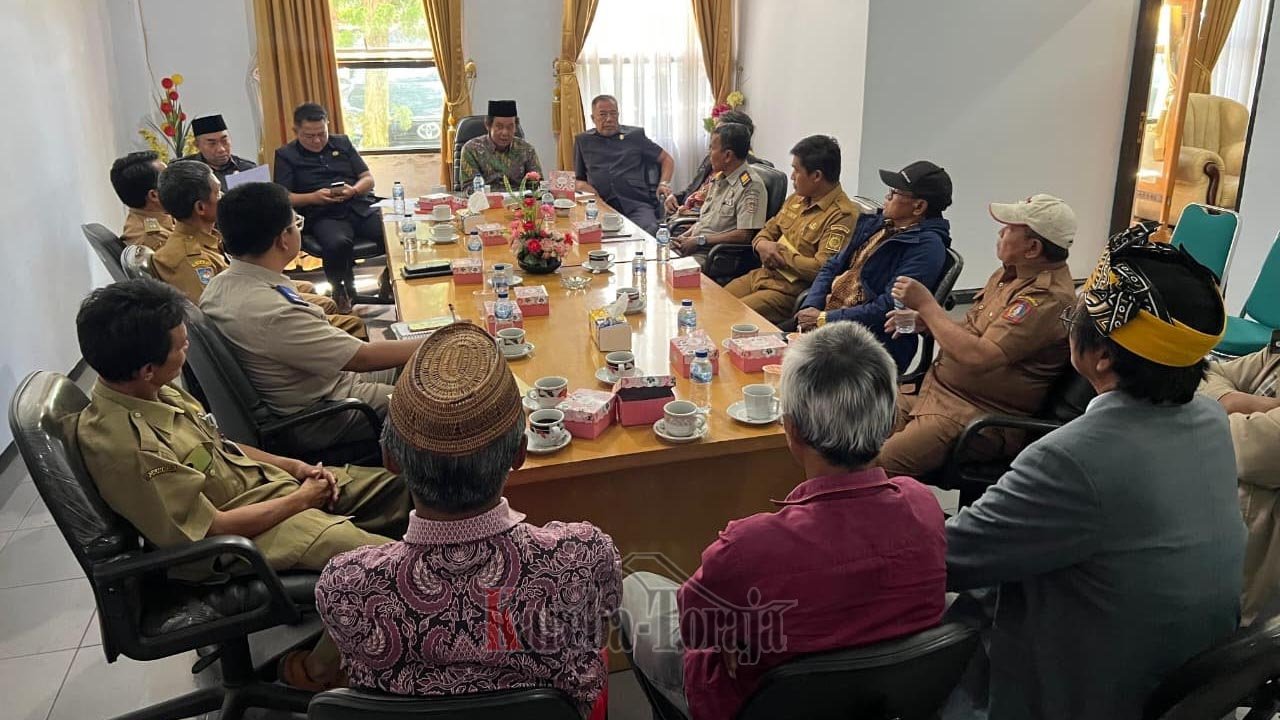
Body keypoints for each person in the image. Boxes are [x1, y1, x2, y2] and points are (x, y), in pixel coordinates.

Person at [945, 224, 1244, 719]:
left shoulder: (1071, 458)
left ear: (1102, 356)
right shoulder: (1209, 420)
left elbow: (949, 557)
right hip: (1181, 688)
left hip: (1088, 694)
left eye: (1075, 317)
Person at [68, 278, 410, 689]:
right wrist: (303, 500)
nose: (186, 350)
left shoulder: (152, 392)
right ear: (146, 368)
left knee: (407, 489)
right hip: (233, 542)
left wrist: (295, 467)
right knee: (387, 569)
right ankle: (317, 670)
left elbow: (220, 446)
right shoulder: (129, 446)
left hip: (262, 492)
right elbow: (211, 529)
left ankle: (392, 622)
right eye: (179, 346)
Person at [620, 322, 946, 720]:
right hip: (882, 699)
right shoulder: (925, 506)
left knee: (636, 586)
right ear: (893, 421)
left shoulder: (747, 547)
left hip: (749, 703)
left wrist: (731, 630)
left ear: (790, 430)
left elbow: (693, 632)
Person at [316, 322, 620, 717]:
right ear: (520, 454)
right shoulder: (583, 558)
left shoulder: (346, 587)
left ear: (390, 460)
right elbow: (597, 633)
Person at [199, 182, 422, 456]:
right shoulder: (272, 311)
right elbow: (362, 358)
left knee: (424, 365)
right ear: (283, 238)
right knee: (435, 403)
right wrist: (442, 338)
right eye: (296, 224)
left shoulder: (221, 285)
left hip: (325, 384)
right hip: (326, 412)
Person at [878, 194, 1077, 477]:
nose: (1000, 233)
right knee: (848, 430)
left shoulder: (1045, 299)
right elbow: (974, 333)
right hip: (934, 392)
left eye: (1009, 229)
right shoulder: (1010, 275)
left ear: (1032, 248)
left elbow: (979, 356)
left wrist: (927, 305)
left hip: (973, 416)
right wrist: (927, 321)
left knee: (875, 468)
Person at [154, 161, 367, 339]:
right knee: (352, 325)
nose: (224, 197)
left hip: (249, 297)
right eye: (218, 194)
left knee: (318, 300)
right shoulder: (187, 259)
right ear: (201, 208)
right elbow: (212, 321)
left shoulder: (210, 235)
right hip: (248, 323)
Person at [795, 160, 952, 371]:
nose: (886, 197)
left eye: (894, 192)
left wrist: (825, 319)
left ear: (919, 206)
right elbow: (832, 265)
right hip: (830, 320)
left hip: (868, 342)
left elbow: (887, 307)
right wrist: (811, 307)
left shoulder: (926, 247)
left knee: (792, 371)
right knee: (764, 343)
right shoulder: (877, 224)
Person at [721, 135, 860, 324]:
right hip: (761, 276)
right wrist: (762, 244)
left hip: (788, 292)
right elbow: (768, 229)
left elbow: (821, 269)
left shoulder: (842, 215)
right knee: (714, 303)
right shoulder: (797, 198)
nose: (792, 176)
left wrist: (779, 254)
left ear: (816, 176)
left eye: (796, 170)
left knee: (729, 318)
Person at [273, 102, 385, 313]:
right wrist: (313, 197)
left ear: (328, 126)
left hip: (357, 206)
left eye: (321, 134)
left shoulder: (341, 143)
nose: (317, 140)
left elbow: (367, 178)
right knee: (337, 243)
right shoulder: (286, 155)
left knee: (392, 230)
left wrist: (354, 190)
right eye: (309, 136)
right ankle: (340, 289)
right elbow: (283, 196)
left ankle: (389, 278)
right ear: (296, 131)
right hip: (323, 214)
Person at [1201, 344, 1280, 625]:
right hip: (1211, 532)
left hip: (1249, 589)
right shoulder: (1275, 356)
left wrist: (1198, 413)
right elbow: (1206, 372)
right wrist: (1236, 401)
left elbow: (1249, 451)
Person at [669, 122, 768, 269]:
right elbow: (707, 220)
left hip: (717, 256)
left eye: (712, 148)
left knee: (670, 271)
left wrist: (699, 240)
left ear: (728, 155)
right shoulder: (720, 178)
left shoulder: (751, 186)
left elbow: (744, 236)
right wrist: (686, 236)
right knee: (656, 259)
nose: (709, 154)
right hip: (698, 247)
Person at [574, 95, 675, 235]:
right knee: (594, 238)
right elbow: (578, 179)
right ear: (593, 118)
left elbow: (667, 159)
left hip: (636, 203)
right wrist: (582, 186)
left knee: (649, 232)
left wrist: (664, 183)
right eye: (603, 115)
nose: (609, 119)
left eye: (613, 113)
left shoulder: (635, 136)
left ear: (618, 114)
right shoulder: (583, 141)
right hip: (601, 205)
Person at [665, 109, 767, 218]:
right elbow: (692, 188)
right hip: (682, 214)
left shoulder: (749, 171)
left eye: (721, 131)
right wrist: (674, 197)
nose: (714, 135)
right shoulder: (711, 159)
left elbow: (723, 219)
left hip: (697, 222)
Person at [458, 100, 542, 189]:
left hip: (518, 201)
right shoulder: (471, 149)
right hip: (485, 201)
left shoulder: (527, 150)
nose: (505, 132)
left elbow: (537, 186)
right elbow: (469, 189)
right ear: (488, 126)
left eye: (510, 127)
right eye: (499, 126)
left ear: (515, 128)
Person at [111, 150, 174, 250]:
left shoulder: (156, 214)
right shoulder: (154, 238)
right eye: (169, 178)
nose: (177, 182)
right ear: (154, 195)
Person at [182, 114, 258, 189]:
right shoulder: (184, 172)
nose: (221, 149)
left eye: (224, 141)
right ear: (197, 145)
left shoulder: (247, 169)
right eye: (212, 143)